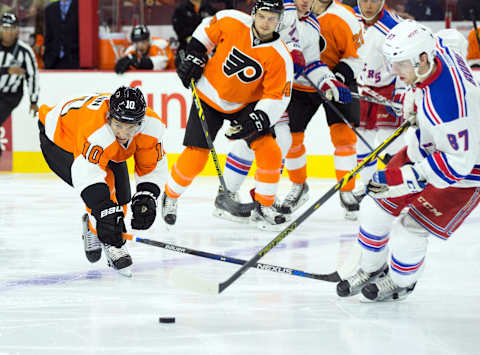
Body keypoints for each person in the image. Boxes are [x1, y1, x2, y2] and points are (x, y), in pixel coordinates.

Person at [336, 20, 480, 301]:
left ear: (421, 59)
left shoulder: (449, 106)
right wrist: (413, 98)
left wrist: (402, 179)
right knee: (373, 207)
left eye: (400, 64)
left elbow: (458, 164)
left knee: (409, 231)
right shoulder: (433, 50)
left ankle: (401, 281)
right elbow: (447, 39)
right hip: (429, 146)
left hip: (468, 168)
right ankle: (371, 268)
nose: (394, 71)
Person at [214, 0, 353, 223]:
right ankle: (227, 195)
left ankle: (261, 199)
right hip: (251, 85)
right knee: (252, 140)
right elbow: (260, 39)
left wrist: (330, 83)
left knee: (281, 141)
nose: (306, 2)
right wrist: (289, 51)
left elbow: (312, 64)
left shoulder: (312, 26)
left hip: (274, 92)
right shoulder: (279, 11)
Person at [163, 0, 294, 230]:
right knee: (196, 157)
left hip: (245, 104)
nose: (266, 23)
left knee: (270, 151)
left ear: (279, 21)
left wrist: (259, 117)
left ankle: (264, 205)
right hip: (209, 95)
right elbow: (205, 31)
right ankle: (170, 195)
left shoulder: (280, 56)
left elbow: (277, 96)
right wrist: (194, 54)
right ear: (254, 14)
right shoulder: (231, 20)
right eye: (262, 16)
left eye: (272, 18)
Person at [37, 86, 168, 276]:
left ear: (141, 122)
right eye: (119, 125)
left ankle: (105, 229)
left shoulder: (151, 126)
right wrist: (103, 213)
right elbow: (88, 175)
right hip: (60, 140)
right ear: (109, 117)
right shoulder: (95, 130)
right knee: (105, 193)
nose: (123, 134)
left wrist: (147, 195)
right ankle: (108, 238)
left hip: (95, 139)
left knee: (123, 195)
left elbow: (151, 167)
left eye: (131, 127)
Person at [308, 0, 363, 219]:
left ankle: (347, 190)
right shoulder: (292, 10)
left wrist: (338, 77)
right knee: (289, 137)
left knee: (344, 137)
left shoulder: (345, 16)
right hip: (303, 82)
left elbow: (357, 55)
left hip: (338, 79)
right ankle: (297, 187)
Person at [353, 0, 405, 196]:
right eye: (364, 0)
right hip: (359, 88)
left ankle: (397, 188)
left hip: (387, 90)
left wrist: (400, 92)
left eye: (374, 0)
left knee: (390, 141)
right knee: (360, 140)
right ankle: (368, 185)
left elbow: (405, 59)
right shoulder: (350, 18)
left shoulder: (394, 27)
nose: (368, 5)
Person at [0, 12, 39, 147]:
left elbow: (32, 75)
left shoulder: (25, 51)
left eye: (12, 28)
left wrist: (33, 100)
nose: (8, 32)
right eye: (5, 28)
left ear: (17, 30)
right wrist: (6, 71)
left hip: (11, 95)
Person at [172, 0, 218, 68]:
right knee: (184, 68)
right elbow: (179, 28)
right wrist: (191, 38)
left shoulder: (210, 9)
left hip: (208, 47)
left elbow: (216, 26)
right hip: (186, 46)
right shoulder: (181, 9)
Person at [43, 0, 79, 69]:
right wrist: (47, 59)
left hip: (75, 62)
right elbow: (48, 37)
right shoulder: (50, 9)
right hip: (53, 62)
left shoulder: (81, 8)